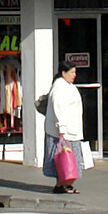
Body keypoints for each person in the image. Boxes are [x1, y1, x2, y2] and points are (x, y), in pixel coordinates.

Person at [41, 59, 87, 194]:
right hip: (62, 131)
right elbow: (58, 108)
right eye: (71, 72)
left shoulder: (69, 86)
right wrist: (61, 127)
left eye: (75, 72)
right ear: (63, 73)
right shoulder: (59, 87)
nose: (74, 75)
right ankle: (61, 185)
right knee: (63, 160)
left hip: (72, 130)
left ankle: (67, 184)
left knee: (71, 160)